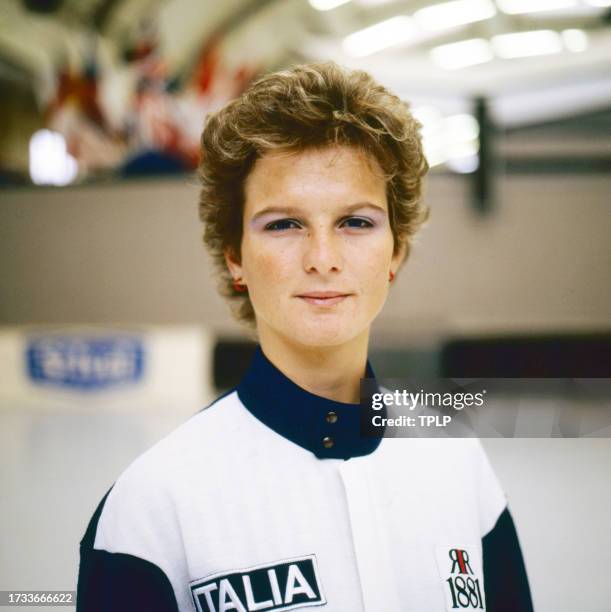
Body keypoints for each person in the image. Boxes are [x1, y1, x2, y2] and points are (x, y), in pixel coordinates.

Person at [77, 62, 534, 612]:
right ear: (235, 256)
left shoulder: (459, 463)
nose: (322, 260)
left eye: (356, 223)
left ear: (396, 250)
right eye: (283, 224)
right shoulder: (151, 509)